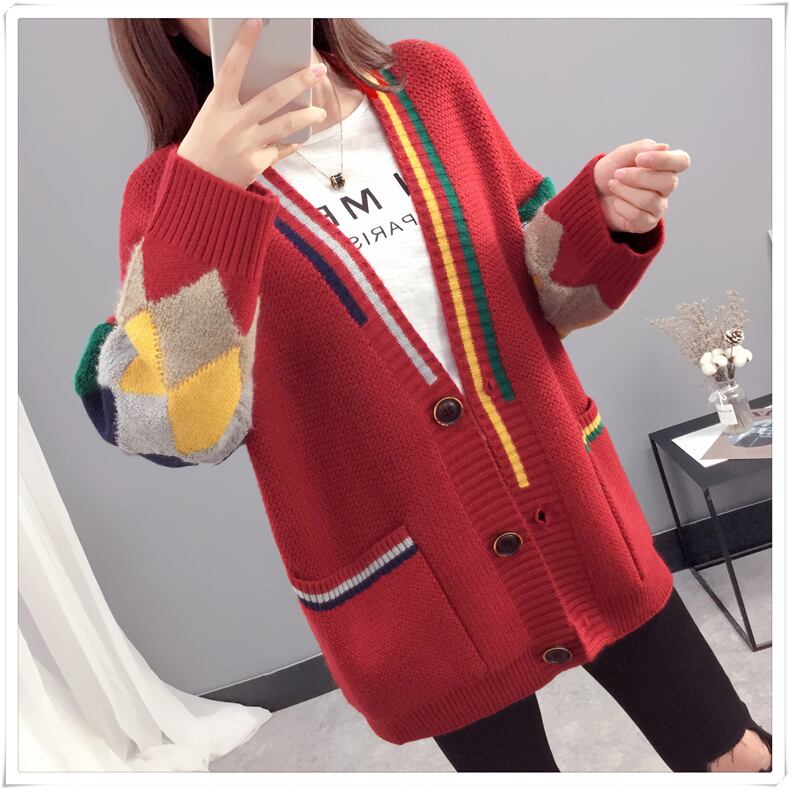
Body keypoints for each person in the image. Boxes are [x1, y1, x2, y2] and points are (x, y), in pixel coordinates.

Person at [73, 18, 771, 772]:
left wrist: (602, 218)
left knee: (736, 757)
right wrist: (207, 192)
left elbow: (550, 293)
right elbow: (173, 427)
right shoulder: (168, 196)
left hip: (575, 513)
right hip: (425, 594)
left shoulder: (430, 84)